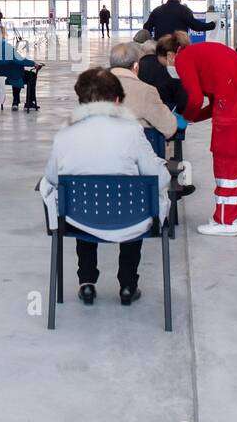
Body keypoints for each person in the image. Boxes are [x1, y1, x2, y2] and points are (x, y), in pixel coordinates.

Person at [39, 67, 171, 307]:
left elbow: (52, 177)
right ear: (118, 100)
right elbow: (158, 178)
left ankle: (86, 282)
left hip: (79, 219)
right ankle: (128, 284)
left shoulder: (65, 134)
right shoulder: (132, 131)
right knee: (134, 203)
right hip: (130, 217)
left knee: (81, 201)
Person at [173, 34, 237, 236]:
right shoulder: (207, 50)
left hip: (233, 98)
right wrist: (194, 118)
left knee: (226, 154)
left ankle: (224, 220)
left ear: (171, 54)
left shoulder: (183, 58)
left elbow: (196, 98)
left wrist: (184, 118)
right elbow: (213, 104)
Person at [108, 42, 178, 138]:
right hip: (133, 148)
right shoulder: (146, 91)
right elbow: (169, 127)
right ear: (136, 66)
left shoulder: (91, 86)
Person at [0, 26, 41, 110]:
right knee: (30, 75)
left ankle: (16, 102)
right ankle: (29, 103)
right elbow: (20, 60)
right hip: (10, 76)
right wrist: (34, 63)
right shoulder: (6, 47)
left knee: (15, 71)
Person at [138, 32, 189, 113]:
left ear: (168, 56)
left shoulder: (166, 73)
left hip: (162, 115)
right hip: (174, 116)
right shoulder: (185, 70)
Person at [142, 0, 215, 40]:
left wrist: (152, 39)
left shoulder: (156, 11)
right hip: (178, 46)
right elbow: (196, 26)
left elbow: (146, 27)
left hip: (161, 47)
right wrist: (212, 25)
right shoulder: (184, 10)